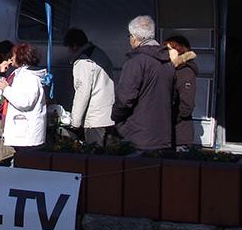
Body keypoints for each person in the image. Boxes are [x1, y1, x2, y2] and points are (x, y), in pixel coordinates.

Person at [111, 15, 176, 152]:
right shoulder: (168, 62)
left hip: (138, 135)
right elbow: (173, 97)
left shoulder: (136, 62)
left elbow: (124, 99)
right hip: (163, 134)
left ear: (134, 37)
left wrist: (116, 117)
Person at [63, 28, 115, 146]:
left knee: (95, 157)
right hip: (108, 115)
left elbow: (82, 93)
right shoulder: (99, 53)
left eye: (69, 47)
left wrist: (75, 122)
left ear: (75, 45)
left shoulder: (83, 61)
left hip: (95, 119)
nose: (69, 51)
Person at [0, 42, 47, 150]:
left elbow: (25, 102)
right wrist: (1, 75)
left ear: (21, 56)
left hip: (26, 136)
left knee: (23, 164)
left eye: (13, 54)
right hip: (18, 133)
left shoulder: (30, 77)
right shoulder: (16, 74)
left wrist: (6, 89)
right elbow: (0, 97)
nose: (11, 57)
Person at [165, 34, 199, 150]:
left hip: (180, 135)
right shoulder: (171, 69)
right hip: (168, 132)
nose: (166, 52)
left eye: (169, 49)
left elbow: (187, 105)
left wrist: (171, 118)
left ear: (179, 50)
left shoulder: (185, 72)